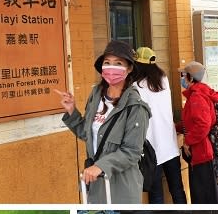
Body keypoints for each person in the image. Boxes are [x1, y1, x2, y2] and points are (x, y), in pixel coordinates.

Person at [56, 40, 151, 203]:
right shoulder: (96, 94)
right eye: (107, 62)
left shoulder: (136, 107)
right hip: (96, 185)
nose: (111, 67)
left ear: (128, 69)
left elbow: (132, 152)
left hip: (121, 187)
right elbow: (87, 134)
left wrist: (101, 166)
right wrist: (71, 110)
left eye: (118, 63)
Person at [131, 47, 187, 204]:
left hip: (151, 149)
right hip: (170, 145)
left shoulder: (136, 87)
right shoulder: (163, 79)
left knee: (156, 194)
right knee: (177, 190)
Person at [178, 61, 218, 203]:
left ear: (191, 78)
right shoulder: (198, 94)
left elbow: (203, 124)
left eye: (183, 75)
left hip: (203, 154)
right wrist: (175, 127)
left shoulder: (196, 97)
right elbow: (193, 122)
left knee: (206, 197)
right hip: (204, 153)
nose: (182, 79)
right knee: (210, 195)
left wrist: (188, 141)